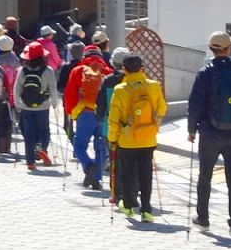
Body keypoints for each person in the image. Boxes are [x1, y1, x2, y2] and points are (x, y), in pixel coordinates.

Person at [187, 30, 231, 236]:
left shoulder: (205, 73)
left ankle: (203, 218)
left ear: (211, 49)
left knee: (205, 176)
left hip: (209, 133)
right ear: (229, 49)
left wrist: (192, 129)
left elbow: (195, 103)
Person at [107, 53, 168, 222]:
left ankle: (128, 206)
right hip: (148, 138)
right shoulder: (154, 86)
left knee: (127, 172)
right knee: (145, 173)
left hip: (127, 140)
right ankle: (146, 210)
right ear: (142, 68)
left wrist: (113, 139)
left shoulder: (120, 90)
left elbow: (113, 118)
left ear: (124, 70)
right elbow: (162, 108)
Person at [64, 45, 114, 190]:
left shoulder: (78, 71)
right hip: (103, 115)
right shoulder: (108, 72)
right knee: (101, 148)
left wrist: (71, 112)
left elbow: (70, 94)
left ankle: (88, 165)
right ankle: (96, 179)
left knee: (79, 146)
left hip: (84, 113)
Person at [15, 40, 58, 171]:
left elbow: (17, 88)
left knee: (29, 134)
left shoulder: (22, 70)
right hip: (43, 106)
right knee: (44, 130)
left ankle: (31, 162)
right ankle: (42, 148)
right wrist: (54, 103)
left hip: (26, 107)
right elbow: (53, 89)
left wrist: (17, 103)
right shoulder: (48, 71)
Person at [97, 47, 130, 204]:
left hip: (110, 126)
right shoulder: (132, 80)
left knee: (115, 161)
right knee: (131, 161)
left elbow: (101, 104)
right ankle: (131, 192)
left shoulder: (107, 80)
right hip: (131, 127)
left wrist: (100, 117)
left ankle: (116, 194)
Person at [58, 42, 85, 143]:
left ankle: (71, 137)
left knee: (68, 121)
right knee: (80, 123)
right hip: (82, 99)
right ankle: (78, 143)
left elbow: (60, 85)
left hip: (68, 98)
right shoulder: (85, 67)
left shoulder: (66, 66)